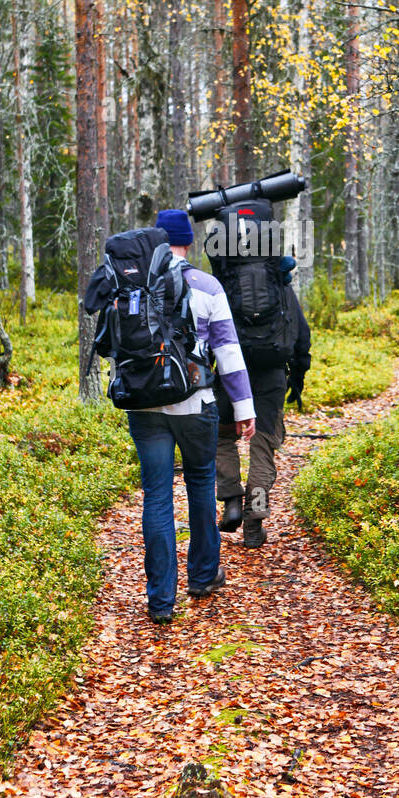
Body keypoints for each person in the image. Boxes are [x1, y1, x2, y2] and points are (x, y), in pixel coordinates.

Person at [124, 208, 255, 624]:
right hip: (196, 403)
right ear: (188, 242)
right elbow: (228, 352)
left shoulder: (133, 282)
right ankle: (202, 577)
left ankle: (161, 600)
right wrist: (244, 407)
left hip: (144, 407)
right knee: (200, 485)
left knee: (157, 497)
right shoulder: (206, 285)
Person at [215, 256, 311, 549]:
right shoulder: (281, 285)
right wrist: (298, 376)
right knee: (262, 446)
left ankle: (231, 499)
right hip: (270, 376)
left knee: (222, 438)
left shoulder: (227, 284)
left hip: (231, 373)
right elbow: (300, 334)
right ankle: (254, 520)